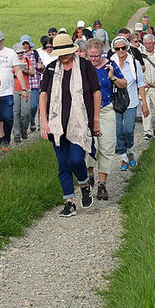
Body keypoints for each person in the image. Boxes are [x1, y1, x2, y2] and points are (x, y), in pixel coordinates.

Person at [39, 33, 101, 217]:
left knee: (75, 159)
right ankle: (69, 203)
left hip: (80, 124)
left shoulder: (84, 66)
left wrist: (95, 120)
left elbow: (96, 92)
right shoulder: (51, 69)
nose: (64, 56)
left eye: (66, 52)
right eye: (60, 52)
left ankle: (84, 183)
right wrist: (44, 122)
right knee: (63, 165)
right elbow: (43, 94)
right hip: (57, 126)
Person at [86, 38, 122, 200]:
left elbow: (123, 83)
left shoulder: (110, 65)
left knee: (106, 146)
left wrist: (112, 77)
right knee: (87, 146)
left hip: (106, 110)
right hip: (86, 111)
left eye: (97, 56)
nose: (94, 59)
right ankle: (89, 174)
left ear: (102, 53)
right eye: (91, 56)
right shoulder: (82, 67)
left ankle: (102, 184)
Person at [0, 30, 26, 155]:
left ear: (3, 40)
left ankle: (6, 138)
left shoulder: (10, 53)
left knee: (8, 117)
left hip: (7, 91)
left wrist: (24, 89)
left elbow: (18, 70)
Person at [110, 36, 147, 171]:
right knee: (118, 131)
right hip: (116, 102)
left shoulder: (134, 63)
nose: (120, 51)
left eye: (123, 48)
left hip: (131, 101)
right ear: (114, 49)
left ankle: (129, 149)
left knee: (128, 129)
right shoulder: (110, 63)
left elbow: (141, 84)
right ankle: (124, 158)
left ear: (127, 48)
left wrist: (144, 105)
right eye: (117, 48)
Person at [13, 34, 41, 141]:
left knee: (25, 112)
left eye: (21, 52)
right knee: (16, 112)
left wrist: (26, 71)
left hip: (27, 88)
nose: (20, 54)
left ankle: (24, 129)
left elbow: (33, 73)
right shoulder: (12, 61)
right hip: (15, 89)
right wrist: (16, 72)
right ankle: (16, 134)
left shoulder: (28, 60)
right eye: (18, 52)